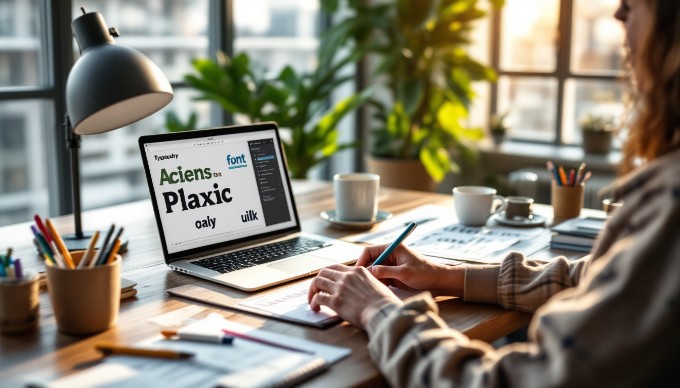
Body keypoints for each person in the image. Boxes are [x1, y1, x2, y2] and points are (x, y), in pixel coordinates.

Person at [307, 0, 680, 386]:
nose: (618, 14)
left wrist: (379, 311)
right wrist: (447, 276)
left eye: (631, 4)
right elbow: (590, 279)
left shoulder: (671, 199)